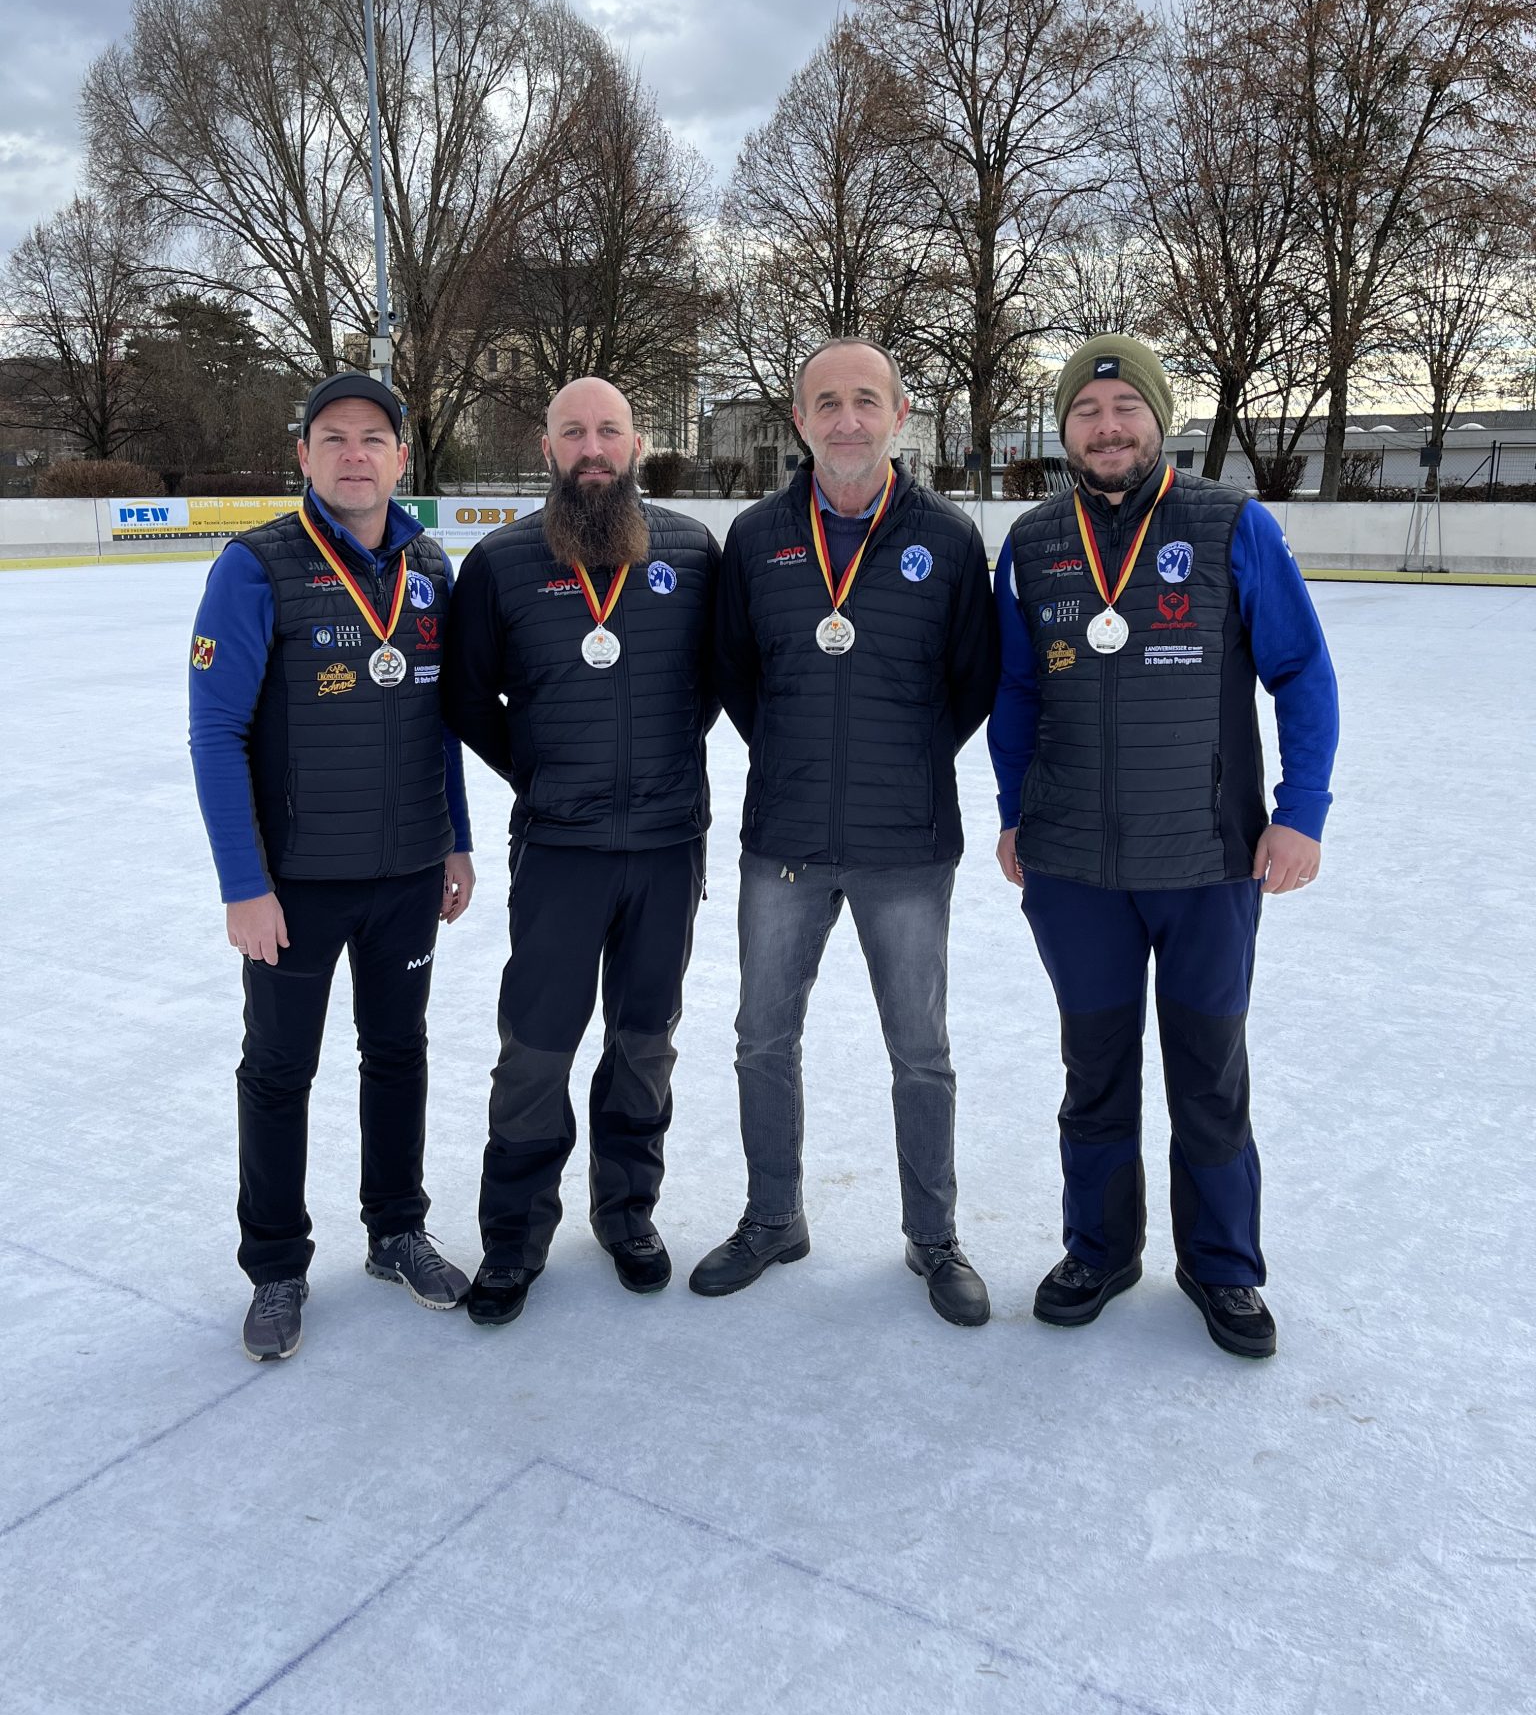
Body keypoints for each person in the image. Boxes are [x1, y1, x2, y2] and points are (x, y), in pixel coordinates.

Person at [989, 334, 1339, 1358]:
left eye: (1125, 409)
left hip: (1206, 862)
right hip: (1073, 870)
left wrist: (1301, 811)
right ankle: (1099, 1249)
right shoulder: (1033, 542)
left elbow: (1303, 673)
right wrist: (1013, 811)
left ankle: (1223, 1266)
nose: (1107, 428)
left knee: (1208, 1073)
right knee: (1094, 1070)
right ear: (1065, 430)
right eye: (1086, 412)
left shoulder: (1232, 524)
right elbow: (1016, 690)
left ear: (1158, 418)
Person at [690, 338, 1000, 1327]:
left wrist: (900, 758)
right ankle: (773, 1217)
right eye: (827, 402)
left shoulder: (948, 538)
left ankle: (933, 1235)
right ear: (800, 419)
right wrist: (798, 750)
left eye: (867, 400)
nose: (848, 419)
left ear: (900, 413)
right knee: (761, 1040)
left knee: (920, 1050)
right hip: (784, 838)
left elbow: (973, 682)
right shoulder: (756, 538)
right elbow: (737, 674)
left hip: (906, 843)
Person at [189, 371, 476, 1365]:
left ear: (401, 456)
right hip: (296, 884)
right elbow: (215, 732)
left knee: (398, 1053)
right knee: (279, 1070)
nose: (356, 454)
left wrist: (455, 836)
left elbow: (441, 718)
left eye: (373, 438)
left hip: (406, 873)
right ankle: (275, 1262)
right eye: (334, 438)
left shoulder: (430, 565)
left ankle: (397, 1231)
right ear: (304, 456)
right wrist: (243, 884)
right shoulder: (255, 566)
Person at [443, 377, 720, 1327]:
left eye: (608, 431)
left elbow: (712, 683)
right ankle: (513, 1237)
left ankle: (627, 1212)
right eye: (573, 432)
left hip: (667, 847)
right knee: (535, 1049)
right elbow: (468, 698)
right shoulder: (502, 563)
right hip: (559, 850)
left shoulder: (692, 551)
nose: (592, 448)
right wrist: (541, 770)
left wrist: (663, 763)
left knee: (644, 1043)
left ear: (636, 444)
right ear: (548, 448)